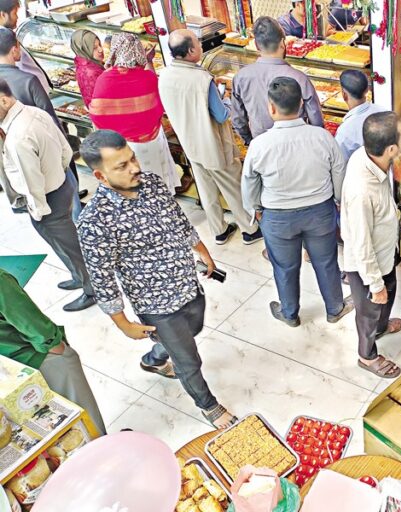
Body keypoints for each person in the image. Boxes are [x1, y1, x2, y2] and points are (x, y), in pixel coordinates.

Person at [76, 130, 237, 430]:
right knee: (188, 360)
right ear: (99, 175)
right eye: (121, 166)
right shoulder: (95, 221)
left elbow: (178, 220)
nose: (134, 168)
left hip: (187, 283)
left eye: (132, 158)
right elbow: (102, 278)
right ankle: (209, 406)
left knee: (195, 327)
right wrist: (122, 323)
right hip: (155, 303)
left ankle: (156, 356)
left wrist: (201, 251)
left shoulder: (151, 183)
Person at [241, 77, 352, 327]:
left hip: (278, 217)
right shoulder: (323, 137)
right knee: (326, 262)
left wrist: (256, 210)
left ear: (271, 107)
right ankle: (335, 308)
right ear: (301, 105)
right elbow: (339, 174)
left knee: (284, 267)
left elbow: (249, 184)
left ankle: (289, 313)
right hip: (320, 212)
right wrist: (336, 201)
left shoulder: (260, 145)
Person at [160, 30, 261, 246]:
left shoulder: (166, 75)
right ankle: (250, 229)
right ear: (190, 51)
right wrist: (225, 99)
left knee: (206, 190)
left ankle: (219, 230)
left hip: (189, 142)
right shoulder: (201, 79)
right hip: (212, 143)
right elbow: (222, 114)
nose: (201, 46)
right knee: (232, 185)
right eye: (198, 43)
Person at [0, 81, 95, 312]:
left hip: (47, 199)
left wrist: (37, 210)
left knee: (69, 245)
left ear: (3, 100)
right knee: (67, 243)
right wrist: (62, 174)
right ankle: (77, 276)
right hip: (61, 185)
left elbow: (31, 181)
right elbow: (65, 148)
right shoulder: (34, 112)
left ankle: (92, 289)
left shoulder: (18, 137)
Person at [0, 268, 106, 435]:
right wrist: (54, 345)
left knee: (41, 426)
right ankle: (104, 450)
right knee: (82, 417)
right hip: (34, 356)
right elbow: (31, 322)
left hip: (8, 372)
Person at [342, 112, 401, 379]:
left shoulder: (370, 157)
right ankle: (366, 356)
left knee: (388, 296)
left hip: (385, 253)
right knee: (368, 310)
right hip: (368, 264)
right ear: (390, 148)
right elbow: (360, 243)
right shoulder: (361, 190)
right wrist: (374, 285)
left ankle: (381, 325)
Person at [0, 28, 83, 221]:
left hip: (17, 155)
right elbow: (51, 118)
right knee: (68, 202)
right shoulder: (28, 80)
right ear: (15, 50)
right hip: (46, 149)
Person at [89, 33, 180, 193]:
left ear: (115, 51)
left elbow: (96, 113)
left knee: (135, 190)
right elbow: (158, 102)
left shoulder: (104, 79)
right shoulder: (146, 77)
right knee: (157, 187)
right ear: (137, 51)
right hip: (150, 142)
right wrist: (149, 61)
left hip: (122, 146)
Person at [231, 16, 323, 145]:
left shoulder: (240, 77)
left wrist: (251, 142)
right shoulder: (299, 78)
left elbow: (238, 121)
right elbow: (317, 123)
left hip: (261, 147)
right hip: (297, 146)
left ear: (257, 45)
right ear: (282, 43)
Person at [0, 0, 52, 93]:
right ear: (3, 15)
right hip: (32, 92)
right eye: (15, 13)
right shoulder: (6, 38)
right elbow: (16, 71)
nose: (17, 17)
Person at [335, 69, 386, 162]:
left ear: (344, 95)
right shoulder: (384, 111)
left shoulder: (345, 132)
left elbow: (341, 165)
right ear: (367, 90)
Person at [70, 29, 105, 109]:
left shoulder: (82, 62)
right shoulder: (92, 72)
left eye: (100, 45)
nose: (100, 50)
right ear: (83, 49)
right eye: (94, 48)